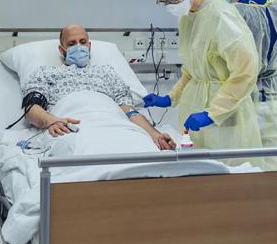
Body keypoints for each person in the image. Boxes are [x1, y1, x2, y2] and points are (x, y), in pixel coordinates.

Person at [142, 0, 262, 161]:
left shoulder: (221, 15)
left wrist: (213, 113)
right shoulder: (187, 17)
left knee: (230, 177)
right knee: (201, 175)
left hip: (226, 118)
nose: (169, 6)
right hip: (195, 111)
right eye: (163, 2)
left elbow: (246, 72)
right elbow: (192, 70)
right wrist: (170, 98)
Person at [22, 25, 175, 150]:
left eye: (82, 42)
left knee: (139, 146)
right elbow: (31, 110)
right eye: (71, 43)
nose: (78, 46)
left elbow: (129, 111)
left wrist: (156, 135)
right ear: (62, 50)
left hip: (113, 124)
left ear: (89, 46)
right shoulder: (46, 73)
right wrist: (52, 121)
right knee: (80, 149)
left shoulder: (107, 72)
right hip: (71, 127)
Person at [221, 0, 277, 170]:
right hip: (272, 101)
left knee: (242, 168)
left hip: (241, 103)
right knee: (274, 166)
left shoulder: (232, 13)